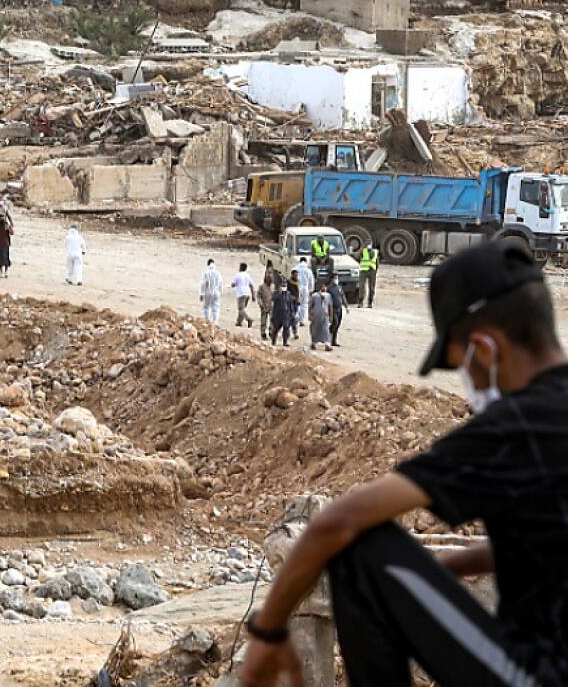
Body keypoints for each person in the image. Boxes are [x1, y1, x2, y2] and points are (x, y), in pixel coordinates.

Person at [240, 239, 568, 687]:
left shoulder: (516, 428)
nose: (469, 383)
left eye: (463, 366)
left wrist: (268, 630)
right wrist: (446, 567)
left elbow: (335, 523)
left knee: (360, 552)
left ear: (486, 351)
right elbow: (545, 544)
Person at [269, 279, 293, 347]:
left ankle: (285, 342)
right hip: (277, 315)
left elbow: (290, 303)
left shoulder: (288, 294)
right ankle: (273, 342)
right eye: (283, 285)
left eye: (285, 284)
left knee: (286, 328)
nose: (284, 286)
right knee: (276, 329)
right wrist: (280, 293)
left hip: (286, 315)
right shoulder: (276, 293)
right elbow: (273, 299)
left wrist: (291, 313)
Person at [308, 284, 332, 351]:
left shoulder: (328, 296)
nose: (324, 288)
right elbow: (310, 306)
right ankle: (313, 343)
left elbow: (330, 306)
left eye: (325, 287)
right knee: (315, 329)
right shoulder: (314, 296)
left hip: (325, 315)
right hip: (316, 316)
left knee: (326, 330)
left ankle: (327, 344)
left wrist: (331, 316)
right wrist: (309, 315)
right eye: (323, 287)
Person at [232, 262, 255, 328]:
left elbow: (233, 284)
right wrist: (253, 295)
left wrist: (232, 285)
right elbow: (251, 286)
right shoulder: (247, 275)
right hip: (247, 293)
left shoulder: (237, 275)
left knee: (241, 309)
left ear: (240, 267)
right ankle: (239, 322)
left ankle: (249, 319)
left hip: (241, 293)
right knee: (243, 309)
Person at [199, 258, 222, 324]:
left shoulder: (206, 272)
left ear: (207, 264)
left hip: (208, 291)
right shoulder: (218, 273)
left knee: (206, 307)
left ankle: (207, 321)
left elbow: (203, 283)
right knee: (215, 308)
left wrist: (201, 293)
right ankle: (215, 322)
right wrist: (220, 292)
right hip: (216, 291)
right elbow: (221, 283)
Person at [359, 240, 380, 308]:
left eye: (370, 244)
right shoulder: (363, 251)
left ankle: (370, 302)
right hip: (363, 270)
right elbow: (358, 257)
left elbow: (377, 262)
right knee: (361, 286)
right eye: (367, 244)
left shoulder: (375, 252)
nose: (369, 245)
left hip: (372, 271)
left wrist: (375, 270)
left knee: (372, 288)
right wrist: (363, 247)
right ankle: (360, 302)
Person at [327, 276, 346, 347]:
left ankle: (334, 341)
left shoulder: (339, 288)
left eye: (337, 278)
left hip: (339, 308)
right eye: (335, 278)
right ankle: (328, 333)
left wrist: (346, 306)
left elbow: (343, 297)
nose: (336, 280)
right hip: (333, 309)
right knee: (335, 323)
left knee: (338, 325)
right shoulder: (329, 288)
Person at [296, 256, 314, 327]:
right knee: (304, 304)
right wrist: (311, 290)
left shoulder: (296, 268)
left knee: (297, 303)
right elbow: (311, 281)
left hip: (297, 288)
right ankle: (302, 320)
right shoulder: (308, 270)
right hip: (305, 288)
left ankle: (296, 317)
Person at [257, 272, 274, 341]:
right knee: (263, 321)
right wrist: (260, 304)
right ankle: (263, 333)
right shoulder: (261, 287)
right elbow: (258, 296)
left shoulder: (272, 287)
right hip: (264, 306)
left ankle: (271, 332)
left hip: (271, 306)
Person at [287, 269, 301, 340]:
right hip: (289, 303)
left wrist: (298, 299)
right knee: (291, 318)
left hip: (296, 303)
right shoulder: (288, 282)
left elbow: (298, 292)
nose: (296, 276)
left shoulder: (297, 282)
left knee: (294, 318)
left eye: (297, 275)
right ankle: (292, 332)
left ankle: (294, 332)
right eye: (295, 275)